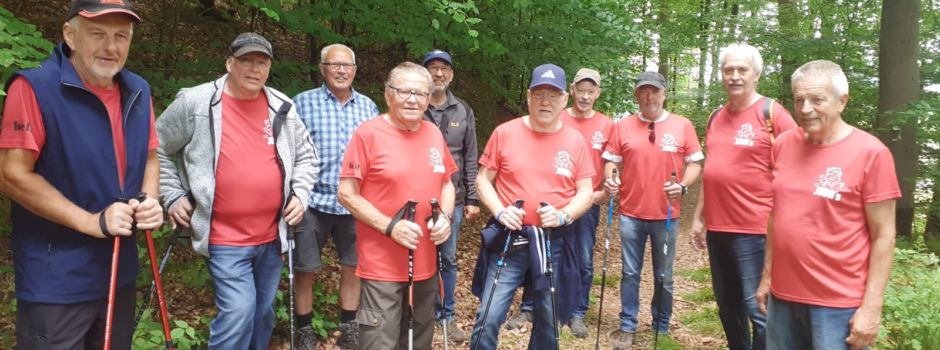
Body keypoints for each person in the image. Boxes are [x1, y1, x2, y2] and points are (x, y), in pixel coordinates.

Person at [0, 1, 162, 348]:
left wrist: (150, 200)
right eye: (98, 34)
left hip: (119, 273)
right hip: (56, 280)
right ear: (70, 35)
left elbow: (150, 156)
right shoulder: (34, 88)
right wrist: (90, 221)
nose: (111, 47)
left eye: (121, 36)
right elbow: (12, 174)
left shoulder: (139, 91)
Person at [156, 32, 319, 349]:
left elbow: (307, 157)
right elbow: (155, 147)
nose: (254, 68)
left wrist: (300, 194)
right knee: (238, 312)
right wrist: (172, 194)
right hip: (223, 236)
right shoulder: (197, 103)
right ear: (229, 62)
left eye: (262, 62)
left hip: (272, 236)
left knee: (261, 315)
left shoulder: (282, 106)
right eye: (246, 60)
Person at [755, 60, 900, 350]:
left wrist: (871, 308)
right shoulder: (783, 144)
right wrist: (767, 276)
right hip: (783, 298)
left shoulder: (871, 153)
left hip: (838, 304)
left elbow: (884, 235)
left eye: (817, 99)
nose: (806, 108)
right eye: (799, 100)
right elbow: (776, 216)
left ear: (842, 101)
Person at [469, 64, 594, 350]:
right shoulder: (505, 133)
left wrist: (564, 215)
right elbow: (482, 180)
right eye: (539, 93)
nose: (545, 101)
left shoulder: (575, 141)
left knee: (548, 322)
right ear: (528, 96)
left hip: (553, 242)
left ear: (565, 99)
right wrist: (500, 210)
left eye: (553, 94)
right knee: (488, 315)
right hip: (510, 239)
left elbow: (585, 192)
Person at [337, 61, 456, 350]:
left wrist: (446, 219)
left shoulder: (433, 133)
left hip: (426, 265)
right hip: (382, 268)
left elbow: (446, 184)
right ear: (388, 94)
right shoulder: (368, 134)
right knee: (379, 343)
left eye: (420, 93)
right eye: (405, 91)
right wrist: (390, 226)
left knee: (418, 343)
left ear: (429, 98)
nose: (413, 99)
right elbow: (346, 193)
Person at [689, 43, 798, 350]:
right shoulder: (715, 117)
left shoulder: (772, 114)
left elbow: (798, 168)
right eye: (728, 70)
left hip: (756, 230)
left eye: (742, 70)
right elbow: (713, 171)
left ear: (756, 75)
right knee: (728, 306)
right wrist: (699, 217)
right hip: (719, 230)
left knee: (759, 309)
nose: (734, 76)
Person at [504, 68, 614, 337]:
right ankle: (530, 306)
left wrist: (605, 188)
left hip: (587, 202)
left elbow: (612, 159)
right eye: (582, 90)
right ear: (572, 91)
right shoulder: (554, 113)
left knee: (584, 258)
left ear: (598, 93)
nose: (586, 96)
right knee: (538, 255)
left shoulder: (607, 124)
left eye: (592, 91)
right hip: (549, 205)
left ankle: (577, 312)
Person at [601, 71, 703, 348]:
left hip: (667, 214)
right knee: (630, 273)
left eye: (654, 91)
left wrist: (682, 185)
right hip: (631, 213)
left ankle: (661, 326)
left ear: (664, 94)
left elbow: (695, 163)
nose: (649, 96)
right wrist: (612, 177)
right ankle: (627, 326)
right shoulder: (623, 126)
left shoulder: (682, 125)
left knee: (664, 276)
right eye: (644, 91)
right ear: (637, 95)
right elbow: (610, 160)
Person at [292, 43, 379, 349]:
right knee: (305, 269)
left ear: (355, 71)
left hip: (355, 204)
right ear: (322, 68)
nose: (341, 71)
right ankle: (303, 330)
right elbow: (288, 151)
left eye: (348, 66)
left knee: (353, 267)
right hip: (312, 202)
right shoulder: (301, 103)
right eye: (335, 65)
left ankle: (349, 326)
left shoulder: (369, 107)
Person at [421, 49, 480, 342]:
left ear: (452, 74)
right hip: (416, 197)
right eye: (433, 68)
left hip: (452, 200)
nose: (439, 74)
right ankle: (419, 314)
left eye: (444, 68)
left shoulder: (463, 110)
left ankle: (447, 315)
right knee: (416, 256)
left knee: (447, 259)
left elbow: (471, 156)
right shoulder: (414, 105)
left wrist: (472, 198)